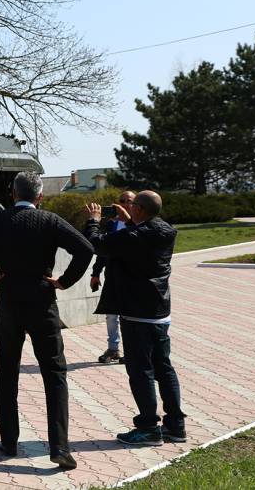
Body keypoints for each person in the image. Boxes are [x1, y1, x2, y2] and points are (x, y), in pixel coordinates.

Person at [0, 172, 94, 470]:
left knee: (7, 372)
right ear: (40, 197)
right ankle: (59, 447)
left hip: (8, 304)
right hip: (43, 303)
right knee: (54, 373)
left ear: (12, 194)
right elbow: (85, 249)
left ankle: (9, 442)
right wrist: (64, 281)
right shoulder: (50, 220)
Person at [84, 191, 186, 446]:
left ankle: (149, 428)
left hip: (137, 314)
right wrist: (130, 221)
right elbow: (139, 237)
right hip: (160, 313)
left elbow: (97, 244)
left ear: (139, 209)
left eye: (133, 206)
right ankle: (176, 425)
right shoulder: (164, 230)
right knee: (164, 367)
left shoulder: (133, 236)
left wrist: (94, 220)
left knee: (140, 371)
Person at [90, 190, 136, 364]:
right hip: (112, 278)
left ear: (136, 204)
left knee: (128, 316)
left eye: (129, 201)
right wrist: (95, 273)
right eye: (122, 200)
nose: (125, 203)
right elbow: (103, 251)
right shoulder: (112, 225)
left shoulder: (140, 226)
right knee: (111, 316)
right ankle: (113, 349)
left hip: (131, 279)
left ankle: (131, 351)